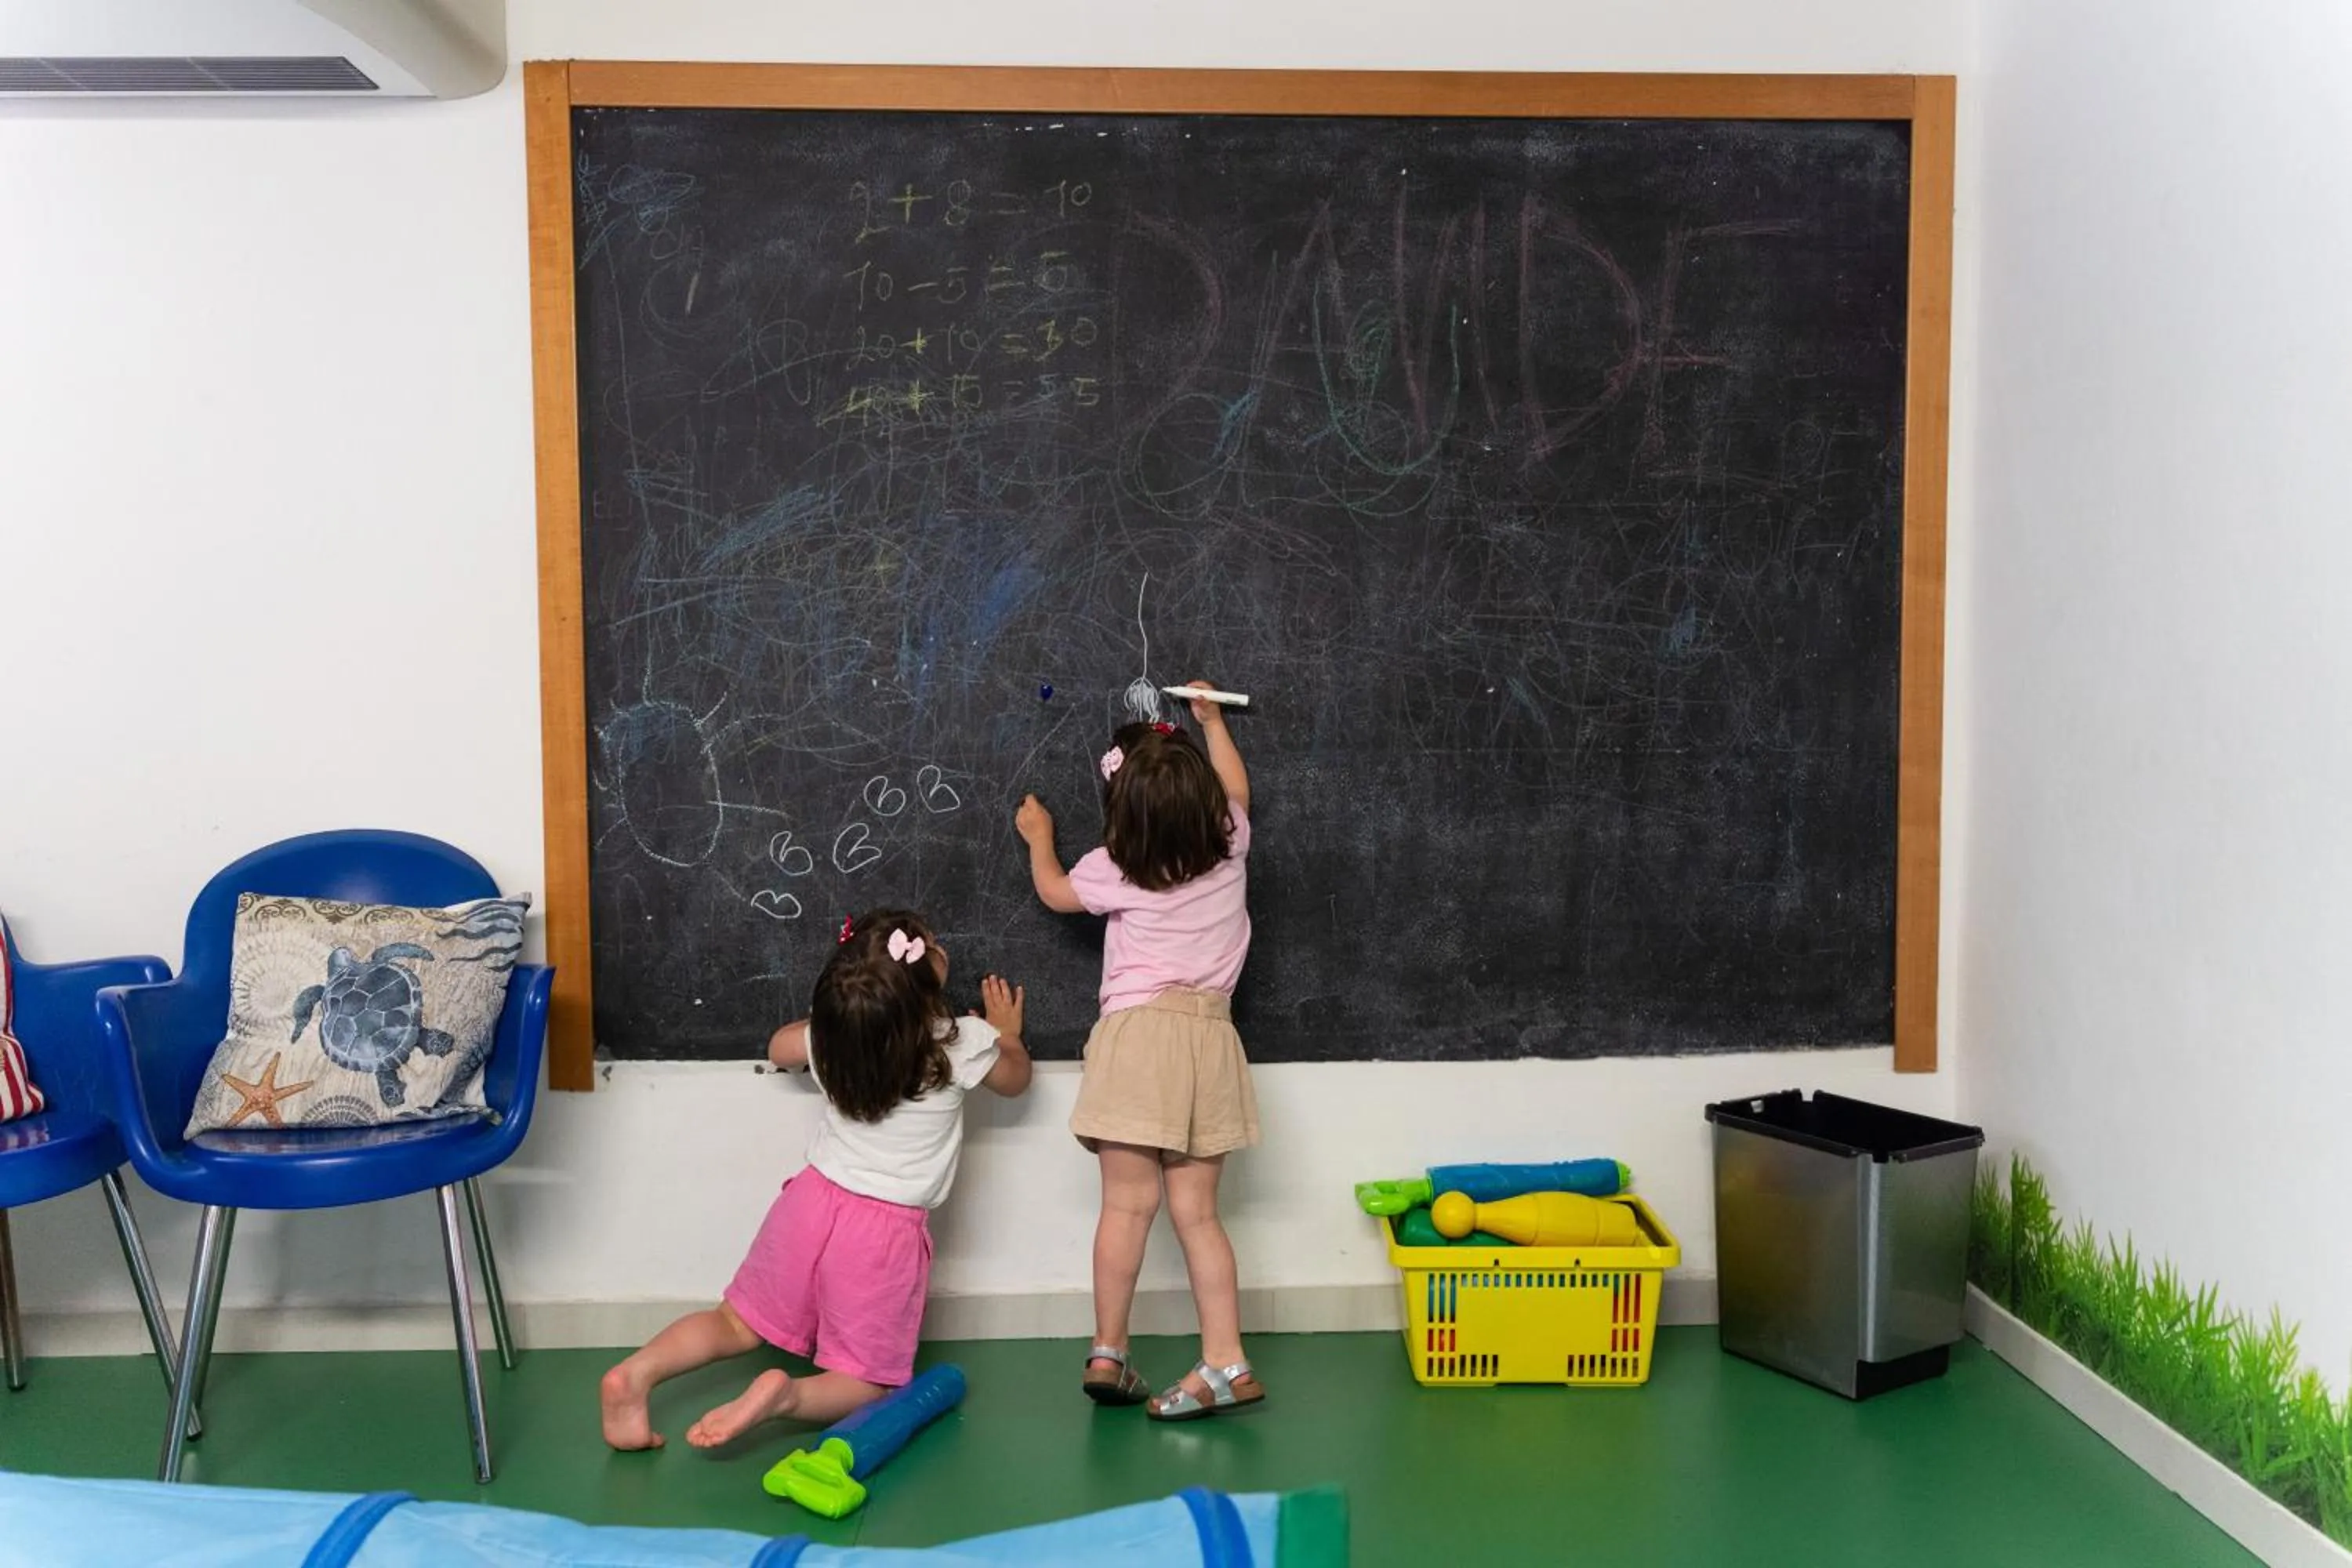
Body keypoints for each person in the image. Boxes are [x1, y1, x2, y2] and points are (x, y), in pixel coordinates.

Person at [599, 909, 1032, 1450]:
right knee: (868, 1382)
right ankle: (787, 1397)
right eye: (933, 944)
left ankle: (634, 1375)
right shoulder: (959, 1041)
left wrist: (828, 1020)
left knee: (733, 1323)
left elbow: (778, 1047)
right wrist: (1007, 1035)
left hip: (809, 1203)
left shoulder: (830, 1038)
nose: (941, 947)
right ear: (923, 983)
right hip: (880, 1232)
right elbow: (1015, 1081)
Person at [1014, 681, 1263, 1420]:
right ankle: (1226, 1361)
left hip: (1134, 1038)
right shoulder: (1232, 838)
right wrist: (1212, 722)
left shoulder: (1114, 865)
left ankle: (1109, 1353)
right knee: (1199, 1216)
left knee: (1125, 1209)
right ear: (1205, 801)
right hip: (1210, 1038)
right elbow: (1237, 788)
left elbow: (1057, 894)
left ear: (1119, 813)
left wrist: (1037, 841)